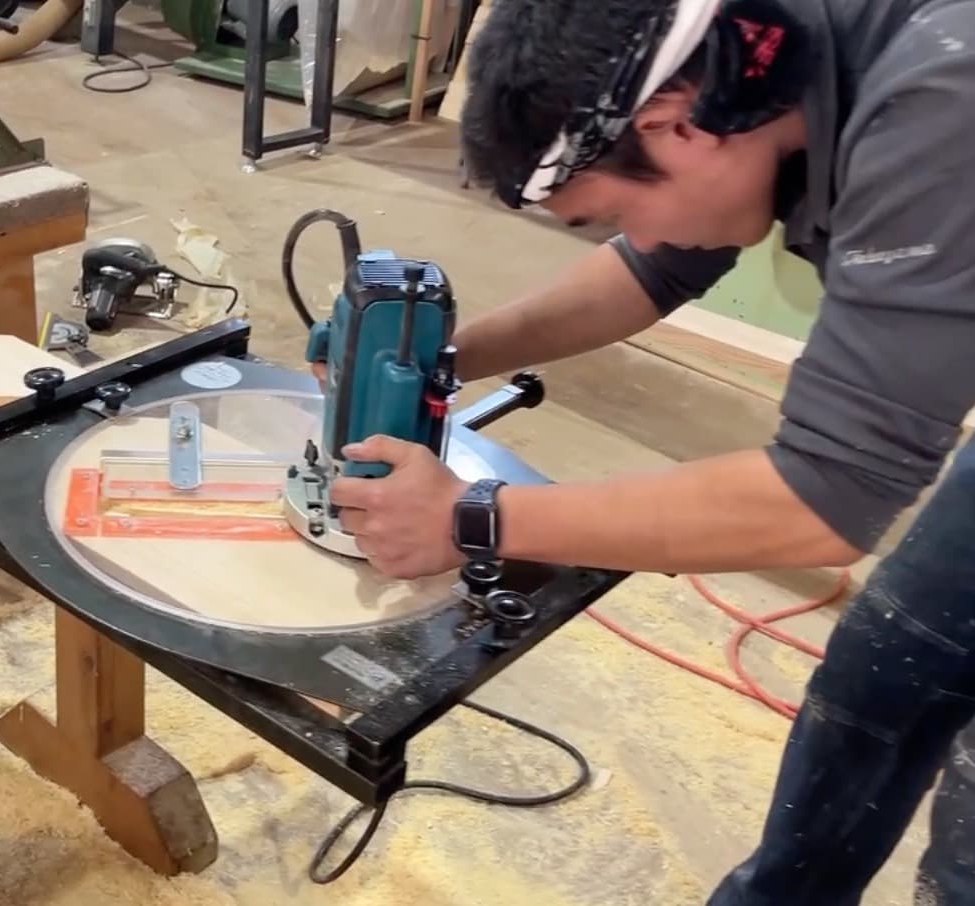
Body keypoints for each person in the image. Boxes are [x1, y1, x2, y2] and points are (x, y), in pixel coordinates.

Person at [320, 0, 975, 902]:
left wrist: (472, 517)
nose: (641, 233)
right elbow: (654, 268)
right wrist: (434, 353)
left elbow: (823, 497)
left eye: (618, 210)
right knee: (883, 683)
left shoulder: (944, 104)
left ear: (673, 122)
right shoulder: (746, 77)